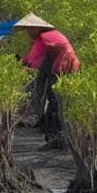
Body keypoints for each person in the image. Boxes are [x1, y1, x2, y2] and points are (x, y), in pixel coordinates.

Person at [17, 12, 79, 148]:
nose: (28, 32)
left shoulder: (43, 38)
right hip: (71, 68)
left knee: (54, 104)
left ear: (37, 28)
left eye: (30, 28)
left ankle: (56, 139)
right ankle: (58, 138)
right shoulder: (52, 35)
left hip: (63, 70)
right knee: (59, 104)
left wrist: (20, 63)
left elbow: (32, 59)